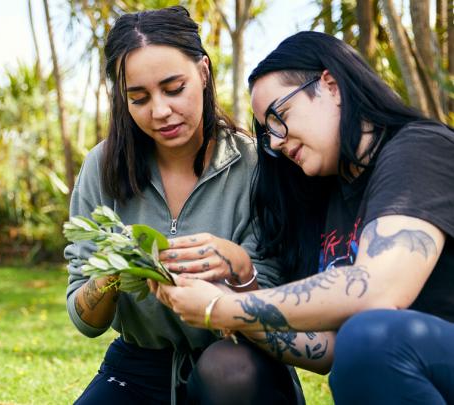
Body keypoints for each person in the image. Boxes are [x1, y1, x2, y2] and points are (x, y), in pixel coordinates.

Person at [150, 31, 454, 404]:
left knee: (370, 338)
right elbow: (326, 348)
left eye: (280, 116)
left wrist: (220, 308)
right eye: (266, 131)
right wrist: (232, 291)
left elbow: (378, 290)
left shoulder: (419, 148)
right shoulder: (329, 197)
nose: (275, 141)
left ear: (331, 85)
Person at [65, 6, 303, 404]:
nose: (160, 111)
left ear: (204, 73)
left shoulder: (257, 165)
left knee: (228, 372)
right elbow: (84, 319)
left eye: (174, 88)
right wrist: (112, 270)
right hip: (138, 366)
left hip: (240, 365)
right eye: (138, 98)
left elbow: (279, 299)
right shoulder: (102, 167)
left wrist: (235, 267)